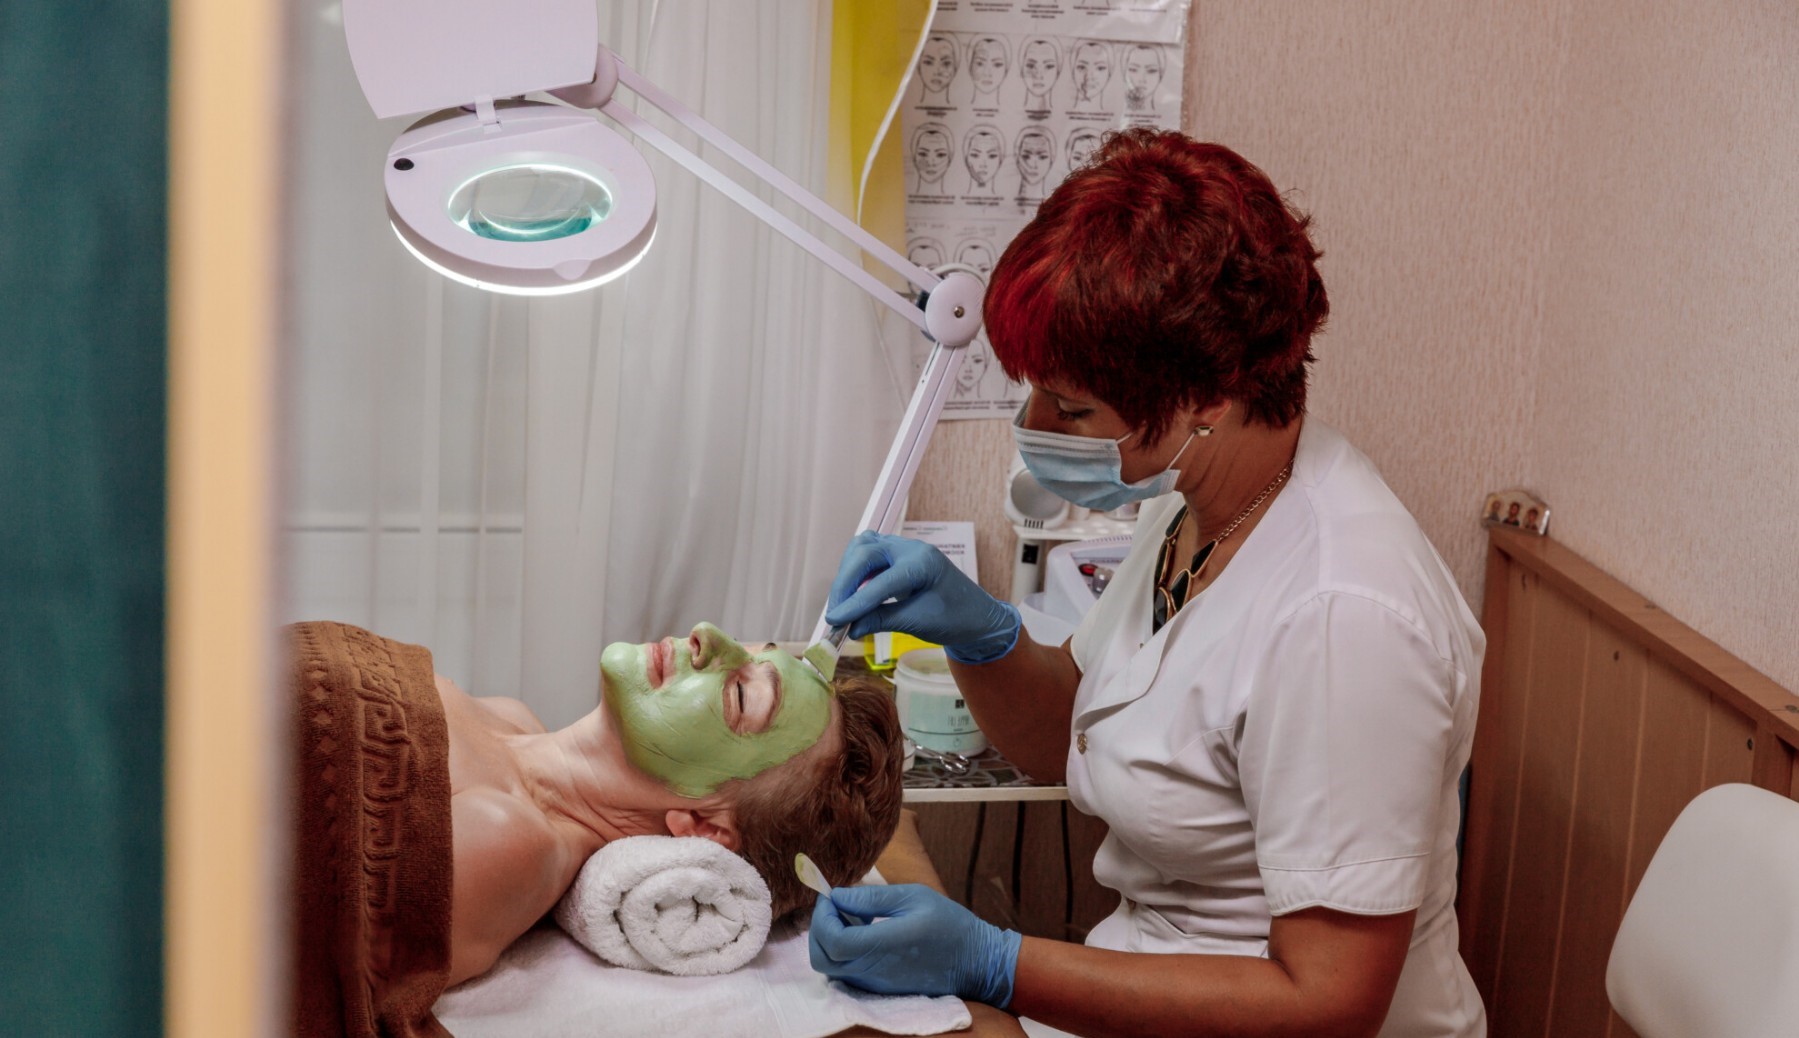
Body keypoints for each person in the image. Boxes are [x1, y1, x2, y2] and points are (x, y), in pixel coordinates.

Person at [810, 129, 1487, 1037]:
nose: (1034, 423)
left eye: (1070, 406)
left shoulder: (1346, 620)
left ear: (1207, 398)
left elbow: (1328, 1005)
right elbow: (1072, 734)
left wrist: (996, 963)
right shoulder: (1196, 500)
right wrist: (982, 635)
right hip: (1146, 982)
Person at [290, 619, 903, 1035]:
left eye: (742, 696)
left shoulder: (513, 842)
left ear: (703, 827)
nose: (707, 636)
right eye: (750, 649)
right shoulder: (512, 718)